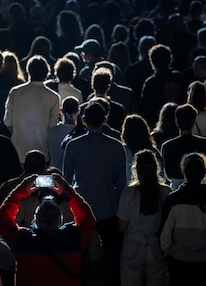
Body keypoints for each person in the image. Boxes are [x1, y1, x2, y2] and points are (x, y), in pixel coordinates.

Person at [63, 101, 126, 286]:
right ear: (104, 120)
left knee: (79, 255)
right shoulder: (116, 146)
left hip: (82, 206)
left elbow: (65, 181)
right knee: (113, 257)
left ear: (84, 120)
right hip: (108, 206)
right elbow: (121, 183)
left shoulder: (73, 145)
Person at [0, 173, 96, 286]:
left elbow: (2, 219)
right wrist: (67, 192)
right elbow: (88, 219)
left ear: (35, 219)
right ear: (60, 219)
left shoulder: (23, 241)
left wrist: (21, 191)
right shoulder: (74, 238)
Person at [160, 152, 206, 286]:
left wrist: (169, 254)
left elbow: (164, 236)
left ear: (184, 172)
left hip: (179, 261)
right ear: (204, 172)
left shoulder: (173, 200)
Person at [118, 150, 171, 286]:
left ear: (136, 170)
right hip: (156, 245)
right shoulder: (166, 192)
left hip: (133, 245)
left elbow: (122, 226)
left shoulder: (129, 193)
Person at [4, 55, 60, 163]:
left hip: (17, 151)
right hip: (42, 153)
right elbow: (52, 127)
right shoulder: (54, 97)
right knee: (42, 179)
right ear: (47, 72)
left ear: (28, 71)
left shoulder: (15, 92)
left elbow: (7, 121)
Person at [161, 103, 206, 189]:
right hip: (202, 190)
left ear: (176, 122)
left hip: (177, 190)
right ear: (194, 121)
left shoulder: (167, 146)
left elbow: (168, 175)